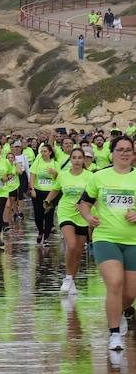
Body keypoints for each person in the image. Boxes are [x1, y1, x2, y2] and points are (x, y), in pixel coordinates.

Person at [78, 133, 136, 351]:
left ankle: (117, 313)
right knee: (115, 282)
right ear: (111, 153)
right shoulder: (99, 177)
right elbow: (84, 203)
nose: (124, 153)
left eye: (128, 150)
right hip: (106, 238)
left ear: (133, 153)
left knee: (130, 293)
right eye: (120, 150)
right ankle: (114, 334)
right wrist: (88, 217)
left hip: (133, 240)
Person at [49, 147, 93, 295]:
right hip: (65, 212)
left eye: (80, 158)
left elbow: (93, 194)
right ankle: (68, 278)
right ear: (71, 159)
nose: (77, 161)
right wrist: (47, 201)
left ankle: (72, 280)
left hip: (82, 215)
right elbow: (56, 189)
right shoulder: (63, 175)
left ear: (84, 160)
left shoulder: (90, 176)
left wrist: (83, 204)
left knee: (78, 251)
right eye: (74, 158)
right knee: (72, 245)